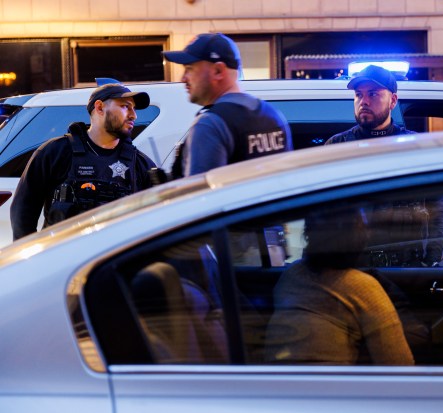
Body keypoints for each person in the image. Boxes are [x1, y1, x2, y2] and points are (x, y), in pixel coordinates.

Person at [326, 64, 443, 267]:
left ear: (392, 101)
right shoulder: (336, 147)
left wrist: (432, 261)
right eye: (358, 94)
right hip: (352, 268)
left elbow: (438, 208)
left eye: (373, 94)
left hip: (408, 268)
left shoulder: (418, 148)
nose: (363, 101)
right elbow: (320, 213)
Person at [264, 207, 414, 365]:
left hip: (274, 384)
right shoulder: (362, 286)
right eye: (364, 227)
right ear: (355, 238)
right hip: (329, 388)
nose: (369, 233)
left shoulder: (291, 274)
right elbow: (399, 365)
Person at [10, 83, 155, 240]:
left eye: (133, 108)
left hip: (114, 262)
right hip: (64, 259)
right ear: (99, 108)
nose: (134, 115)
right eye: (126, 106)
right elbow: (23, 211)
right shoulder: (55, 152)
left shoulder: (140, 164)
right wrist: (33, 258)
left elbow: (157, 221)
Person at [162, 33, 292, 177]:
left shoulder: (210, 124)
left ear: (218, 71)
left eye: (189, 68)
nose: (183, 78)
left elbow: (200, 197)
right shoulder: (272, 115)